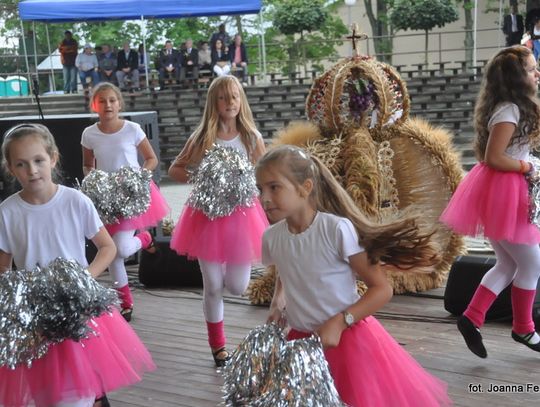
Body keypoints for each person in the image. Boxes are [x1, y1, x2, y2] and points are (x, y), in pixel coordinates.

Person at [257, 142, 451, 407]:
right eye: (261, 189)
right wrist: (278, 301)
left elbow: (381, 289)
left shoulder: (335, 230)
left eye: (274, 187)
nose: (264, 198)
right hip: (303, 343)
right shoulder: (272, 237)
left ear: (305, 188)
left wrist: (340, 321)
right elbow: (286, 266)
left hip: (349, 342)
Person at [0, 123, 155, 407]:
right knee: (47, 393)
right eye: (21, 164)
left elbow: (107, 247)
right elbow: (3, 269)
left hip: (78, 310)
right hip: (35, 319)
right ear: (10, 168)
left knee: (74, 394)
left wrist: (84, 278)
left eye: (38, 161)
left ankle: (93, 395)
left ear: (53, 158)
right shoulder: (8, 212)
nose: (32, 170)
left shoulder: (75, 201)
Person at [440, 46, 540, 358]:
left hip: (502, 189)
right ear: (516, 77)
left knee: (508, 263)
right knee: (532, 262)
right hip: (504, 191)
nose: (537, 73)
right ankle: (523, 327)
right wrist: (527, 167)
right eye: (531, 69)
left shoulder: (513, 107)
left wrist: (527, 162)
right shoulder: (510, 110)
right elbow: (495, 157)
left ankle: (471, 317)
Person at [168, 75, 267, 367]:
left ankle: (227, 281)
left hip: (241, 218)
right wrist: (204, 177)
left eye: (235, 97)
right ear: (214, 102)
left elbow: (266, 175)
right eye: (223, 98)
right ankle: (218, 346)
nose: (230, 103)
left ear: (241, 101)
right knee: (212, 285)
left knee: (236, 286)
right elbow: (175, 169)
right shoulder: (202, 138)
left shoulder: (251, 138)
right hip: (206, 219)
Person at [81, 82, 170, 322]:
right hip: (105, 198)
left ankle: (145, 238)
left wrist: (138, 176)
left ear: (119, 103)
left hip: (131, 195)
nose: (107, 105)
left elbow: (151, 159)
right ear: (94, 105)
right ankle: (126, 304)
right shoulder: (89, 134)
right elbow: (88, 165)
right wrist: (93, 178)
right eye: (102, 101)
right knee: (112, 252)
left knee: (119, 248)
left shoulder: (132, 129)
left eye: (112, 100)